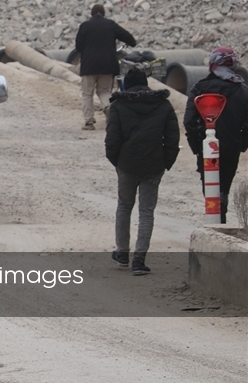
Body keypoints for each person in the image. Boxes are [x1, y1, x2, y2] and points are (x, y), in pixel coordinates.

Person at [104, 69, 180, 276]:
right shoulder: (163, 105)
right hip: (153, 165)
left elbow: (112, 139)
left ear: (126, 85)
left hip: (127, 165)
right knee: (146, 212)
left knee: (124, 206)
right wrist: (166, 162)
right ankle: (139, 260)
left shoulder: (118, 106)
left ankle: (122, 253)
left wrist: (117, 162)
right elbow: (173, 138)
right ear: (146, 84)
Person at [184, 47, 248, 224]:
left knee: (210, 188)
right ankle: (221, 219)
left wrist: (197, 147)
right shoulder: (242, 90)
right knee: (223, 188)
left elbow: (189, 121)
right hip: (231, 148)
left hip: (205, 148)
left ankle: (215, 224)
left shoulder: (199, 89)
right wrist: (242, 143)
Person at [74, 3, 137, 131]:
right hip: (108, 66)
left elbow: (78, 47)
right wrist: (131, 43)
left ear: (91, 14)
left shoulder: (85, 26)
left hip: (89, 66)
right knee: (104, 92)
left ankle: (89, 122)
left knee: (87, 93)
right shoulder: (110, 25)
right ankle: (108, 107)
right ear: (104, 14)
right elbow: (129, 38)